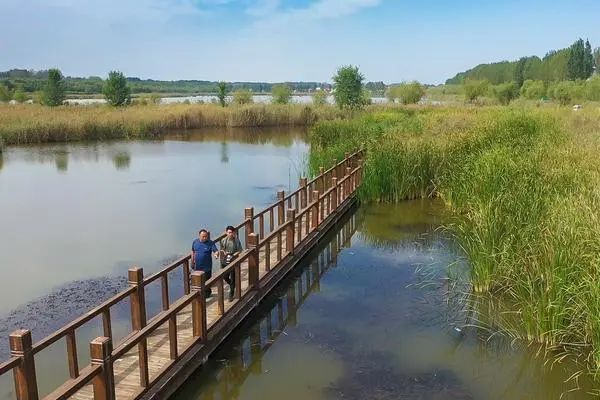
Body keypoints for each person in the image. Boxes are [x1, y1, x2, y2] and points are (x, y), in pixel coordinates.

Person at [191, 229, 219, 298]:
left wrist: (216, 254)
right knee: (198, 282)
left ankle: (207, 294)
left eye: (206, 236)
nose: (205, 238)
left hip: (207, 267)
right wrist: (192, 261)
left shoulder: (210, 243)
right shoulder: (195, 242)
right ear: (199, 236)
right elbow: (193, 251)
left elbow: (215, 251)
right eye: (203, 236)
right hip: (197, 267)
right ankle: (199, 295)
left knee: (207, 282)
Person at [220, 225, 243, 300]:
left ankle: (231, 294)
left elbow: (240, 250)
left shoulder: (236, 240)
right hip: (226, 259)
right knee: (224, 276)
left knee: (233, 276)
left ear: (234, 233)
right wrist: (224, 252)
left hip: (233, 259)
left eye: (231, 232)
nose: (230, 234)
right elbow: (222, 248)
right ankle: (232, 285)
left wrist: (233, 255)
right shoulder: (223, 240)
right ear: (226, 232)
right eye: (229, 232)